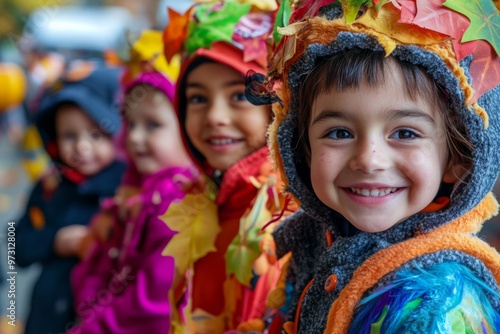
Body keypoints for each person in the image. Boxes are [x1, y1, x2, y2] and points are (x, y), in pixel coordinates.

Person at [245, 0, 500, 332]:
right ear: (303, 150)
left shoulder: (433, 305)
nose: (368, 159)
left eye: (405, 133)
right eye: (339, 133)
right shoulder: (316, 240)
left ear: (457, 158)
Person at [161, 0, 295, 332]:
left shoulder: (291, 211)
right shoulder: (200, 203)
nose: (215, 118)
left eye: (239, 96)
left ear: (276, 105)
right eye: (197, 98)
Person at [68, 30, 197, 333]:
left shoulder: (181, 204)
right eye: (131, 123)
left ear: (189, 127)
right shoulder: (135, 191)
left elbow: (151, 306)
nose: (136, 137)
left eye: (153, 125)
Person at [16, 63, 126, 334]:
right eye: (69, 135)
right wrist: (54, 242)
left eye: (96, 135)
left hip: (100, 319)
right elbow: (15, 245)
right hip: (46, 316)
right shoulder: (49, 186)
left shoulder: (127, 192)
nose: (81, 147)